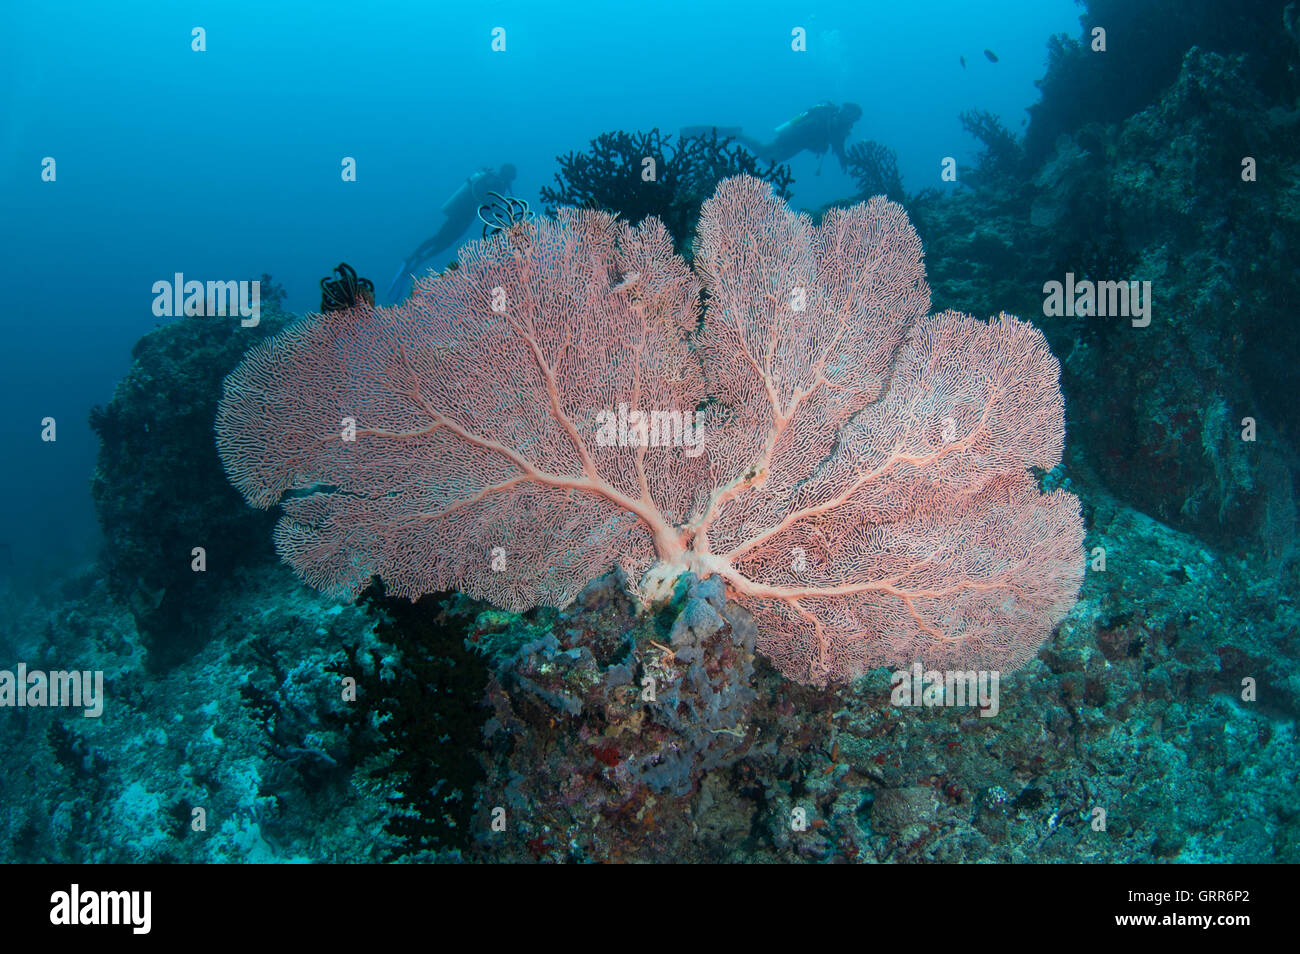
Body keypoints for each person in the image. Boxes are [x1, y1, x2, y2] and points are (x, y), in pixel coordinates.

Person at [387, 162, 517, 303]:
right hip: (463, 215)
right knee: (442, 240)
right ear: (508, 174)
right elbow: (489, 203)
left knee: (443, 241)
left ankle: (416, 259)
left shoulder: (494, 179)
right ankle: (414, 258)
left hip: (463, 214)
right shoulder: (497, 182)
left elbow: (490, 205)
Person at [681, 102, 862, 172]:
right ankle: (737, 134)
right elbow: (806, 129)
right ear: (844, 110)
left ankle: (738, 136)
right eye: (850, 113)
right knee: (766, 150)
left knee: (770, 162)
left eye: (854, 117)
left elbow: (839, 147)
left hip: (799, 145)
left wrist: (844, 161)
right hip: (793, 138)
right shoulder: (826, 117)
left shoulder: (840, 129)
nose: (850, 118)